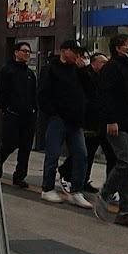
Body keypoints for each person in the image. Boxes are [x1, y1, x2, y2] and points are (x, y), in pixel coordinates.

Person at [38, 39, 92, 208]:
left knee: (81, 155)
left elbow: (90, 90)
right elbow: (43, 94)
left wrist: (84, 71)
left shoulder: (78, 70)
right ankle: (47, 188)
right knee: (53, 154)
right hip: (58, 119)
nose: (77, 55)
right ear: (64, 51)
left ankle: (76, 191)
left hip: (76, 121)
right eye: (74, 51)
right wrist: (53, 112)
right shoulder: (50, 69)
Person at [94, 34, 128, 227]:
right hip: (117, 125)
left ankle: (125, 211)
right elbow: (105, 96)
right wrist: (111, 120)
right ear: (119, 48)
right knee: (126, 164)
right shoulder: (111, 68)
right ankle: (105, 193)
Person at [59, 51, 114, 193]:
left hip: (101, 122)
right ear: (95, 63)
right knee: (85, 152)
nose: (105, 65)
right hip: (88, 122)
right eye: (103, 62)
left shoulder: (104, 77)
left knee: (99, 154)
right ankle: (67, 173)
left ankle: (85, 180)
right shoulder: (85, 75)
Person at [0, 42, 37, 188]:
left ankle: (19, 176)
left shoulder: (30, 74)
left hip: (28, 116)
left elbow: (33, 94)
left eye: (29, 52)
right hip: (12, 114)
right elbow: (0, 92)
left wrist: (34, 110)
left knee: (26, 148)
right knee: (9, 144)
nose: (26, 54)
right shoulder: (8, 70)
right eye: (24, 51)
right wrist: (5, 108)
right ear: (16, 52)